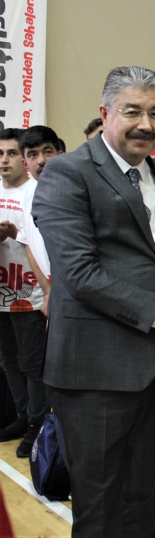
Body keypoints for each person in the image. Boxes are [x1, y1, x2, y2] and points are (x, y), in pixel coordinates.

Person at [33, 66, 155, 538]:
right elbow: (79, 274)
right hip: (94, 373)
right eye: (132, 111)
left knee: (152, 495)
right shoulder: (67, 172)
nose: (146, 124)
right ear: (105, 113)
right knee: (100, 507)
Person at [0, 128, 49, 458]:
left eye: (11, 153)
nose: (4, 160)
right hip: (1, 294)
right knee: (9, 362)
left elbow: (42, 243)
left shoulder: (37, 192)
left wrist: (16, 234)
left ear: (25, 157)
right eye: (0, 154)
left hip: (30, 294)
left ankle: (37, 424)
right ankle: (21, 417)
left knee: (32, 364)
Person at [15, 125, 63, 320]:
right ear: (25, 164)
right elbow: (29, 245)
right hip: (55, 291)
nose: (41, 160)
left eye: (47, 152)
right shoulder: (27, 196)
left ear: (60, 155)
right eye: (33, 155)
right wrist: (48, 290)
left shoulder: (77, 191)